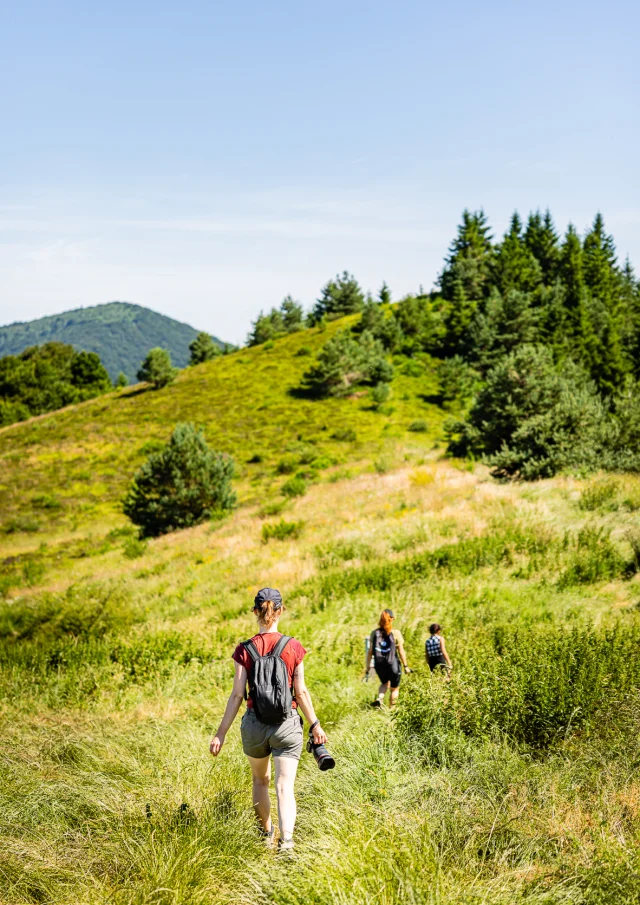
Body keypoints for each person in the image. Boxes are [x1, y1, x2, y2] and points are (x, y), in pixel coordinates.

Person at [209, 587, 327, 852]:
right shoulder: (293, 647)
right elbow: (301, 691)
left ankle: (266, 836)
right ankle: (287, 842)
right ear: (280, 611)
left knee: (260, 781)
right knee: (284, 785)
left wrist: (221, 733)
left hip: (254, 725)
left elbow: (237, 695)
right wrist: (315, 723)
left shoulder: (244, 650)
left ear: (255, 612)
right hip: (286, 725)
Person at [363, 608, 411, 709]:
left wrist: (367, 668)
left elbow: (370, 652)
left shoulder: (374, 633)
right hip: (393, 664)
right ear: (392, 619)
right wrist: (406, 666)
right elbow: (401, 651)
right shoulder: (395, 633)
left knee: (384, 683)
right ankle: (392, 710)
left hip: (379, 664)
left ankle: (380, 698)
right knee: (394, 689)